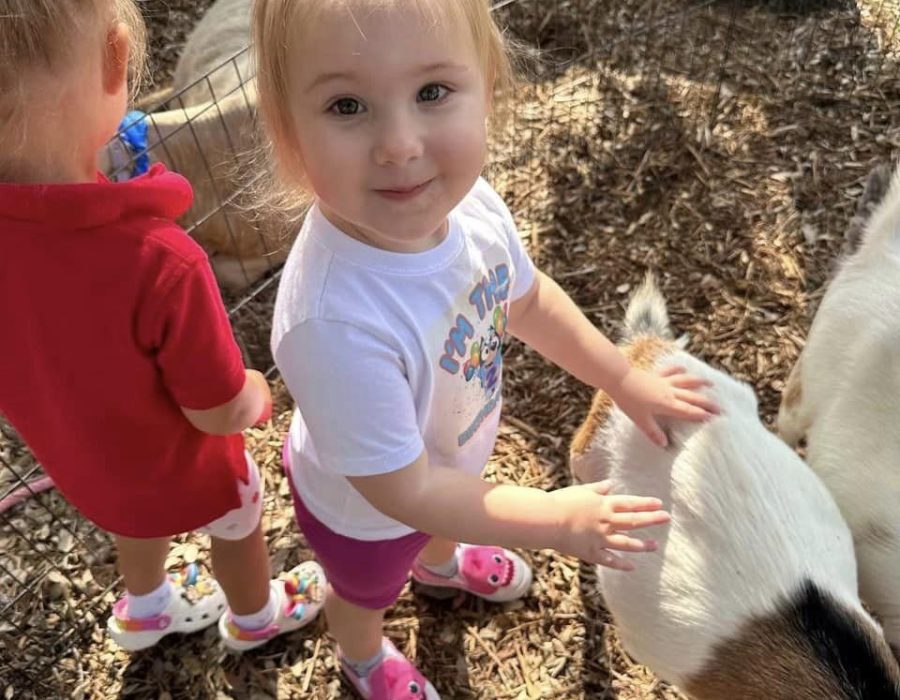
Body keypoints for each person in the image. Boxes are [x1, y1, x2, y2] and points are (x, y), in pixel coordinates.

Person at [252, 0, 718, 696]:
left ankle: (439, 568)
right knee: (364, 592)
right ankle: (364, 658)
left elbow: (526, 300)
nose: (400, 143)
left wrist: (623, 379)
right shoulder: (333, 321)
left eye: (432, 93)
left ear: (488, 89)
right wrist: (558, 518)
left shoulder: (468, 210)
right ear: (288, 136)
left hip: (450, 460)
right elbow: (405, 492)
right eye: (348, 106)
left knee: (443, 519)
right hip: (367, 513)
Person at [0, 0, 324, 653]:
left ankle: (146, 609)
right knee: (240, 515)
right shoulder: (160, 261)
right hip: (185, 466)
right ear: (117, 57)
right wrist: (256, 392)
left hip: (83, 465)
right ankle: (255, 617)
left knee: (131, 516)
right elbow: (215, 412)